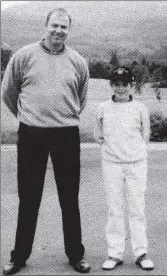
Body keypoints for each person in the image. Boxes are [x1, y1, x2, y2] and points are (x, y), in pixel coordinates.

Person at [2, 8, 90, 275]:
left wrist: (62, 117)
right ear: (45, 26)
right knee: (29, 198)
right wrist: (29, 118)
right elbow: (9, 92)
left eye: (64, 27)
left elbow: (81, 99)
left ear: (68, 30)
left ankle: (76, 255)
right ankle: (18, 257)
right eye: (54, 25)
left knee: (69, 198)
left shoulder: (77, 61)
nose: (58, 31)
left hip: (66, 134)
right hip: (32, 134)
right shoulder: (24, 56)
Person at [94, 67, 154, 271]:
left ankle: (141, 253)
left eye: (124, 84)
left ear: (132, 86)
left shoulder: (140, 108)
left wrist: (132, 153)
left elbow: (145, 135)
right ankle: (115, 253)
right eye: (116, 84)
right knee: (115, 209)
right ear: (111, 85)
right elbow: (98, 136)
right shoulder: (103, 108)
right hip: (111, 165)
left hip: (136, 164)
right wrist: (115, 153)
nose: (120, 88)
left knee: (137, 208)